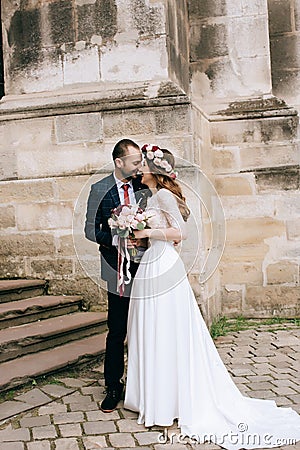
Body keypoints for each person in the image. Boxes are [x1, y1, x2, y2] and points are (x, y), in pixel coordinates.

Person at [124, 144, 300, 450]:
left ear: (156, 170)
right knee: (154, 330)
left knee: (165, 331)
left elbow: (181, 234)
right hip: (154, 263)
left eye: (144, 165)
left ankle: (168, 402)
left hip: (163, 264)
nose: (139, 169)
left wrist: (145, 234)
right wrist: (137, 236)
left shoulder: (163, 195)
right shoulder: (152, 197)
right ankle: (154, 396)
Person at [84, 138, 148, 413]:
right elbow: (89, 230)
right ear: (118, 162)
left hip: (146, 266)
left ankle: (144, 384)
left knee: (145, 326)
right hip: (116, 269)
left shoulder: (143, 186)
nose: (138, 167)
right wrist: (117, 237)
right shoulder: (99, 189)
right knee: (117, 328)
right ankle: (113, 386)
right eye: (134, 162)